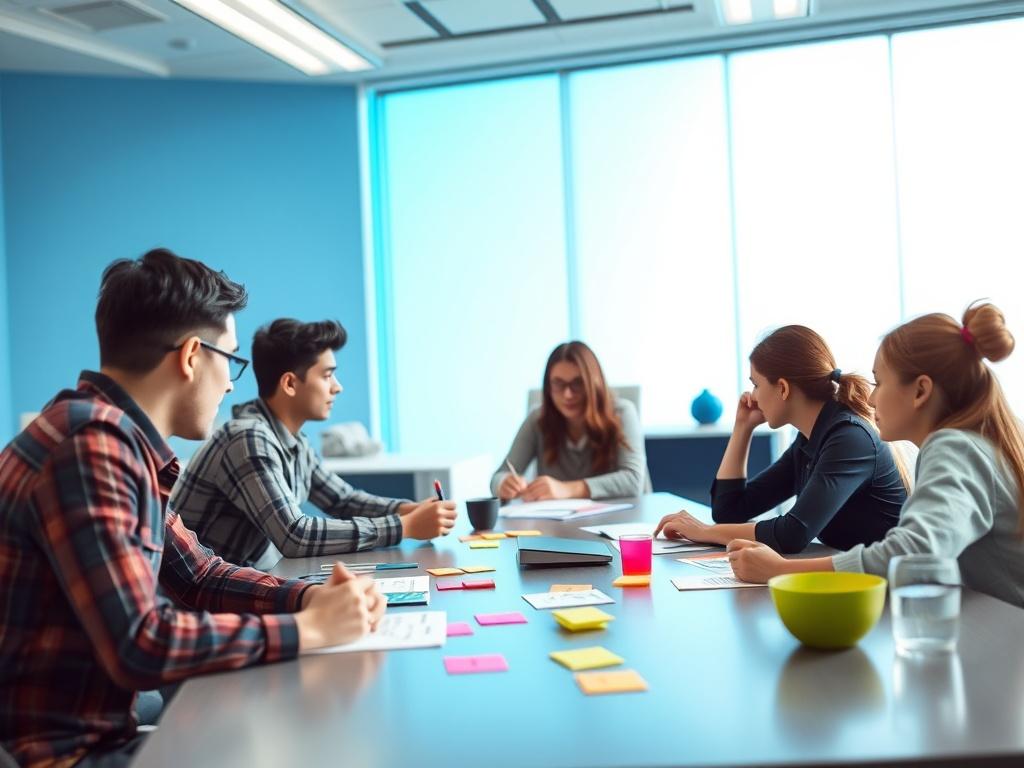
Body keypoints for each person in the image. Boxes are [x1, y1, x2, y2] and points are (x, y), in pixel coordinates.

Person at [0, 250, 385, 768]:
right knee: (318, 744)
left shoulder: (110, 436)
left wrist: (309, 599)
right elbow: (141, 642)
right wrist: (310, 630)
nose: (230, 383)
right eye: (230, 359)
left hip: (101, 727)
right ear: (190, 356)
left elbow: (199, 575)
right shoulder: (92, 447)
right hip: (65, 754)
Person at [727, 304, 1024, 609]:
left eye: (879, 382)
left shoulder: (955, 449)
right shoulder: (981, 440)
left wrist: (779, 570)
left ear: (920, 391)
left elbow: (914, 553)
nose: (870, 397)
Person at [172, 318, 457, 569]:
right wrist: (404, 526)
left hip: (241, 585)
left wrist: (407, 510)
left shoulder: (294, 442)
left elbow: (343, 500)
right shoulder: (248, 438)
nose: (337, 386)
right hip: (204, 601)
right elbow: (295, 536)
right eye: (327, 375)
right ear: (290, 384)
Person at [656, 326, 906, 553]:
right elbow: (730, 511)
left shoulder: (849, 438)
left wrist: (704, 532)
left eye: (756, 384)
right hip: (848, 579)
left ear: (783, 389)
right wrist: (743, 428)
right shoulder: (810, 440)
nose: (751, 397)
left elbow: (793, 532)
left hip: (883, 592)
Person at [489, 341, 647, 501]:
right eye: (558, 383)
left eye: (577, 383)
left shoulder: (622, 413)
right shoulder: (537, 419)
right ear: (548, 387)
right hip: (555, 524)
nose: (568, 394)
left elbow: (633, 480)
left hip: (618, 521)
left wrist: (567, 489)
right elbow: (499, 476)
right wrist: (503, 483)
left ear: (595, 384)